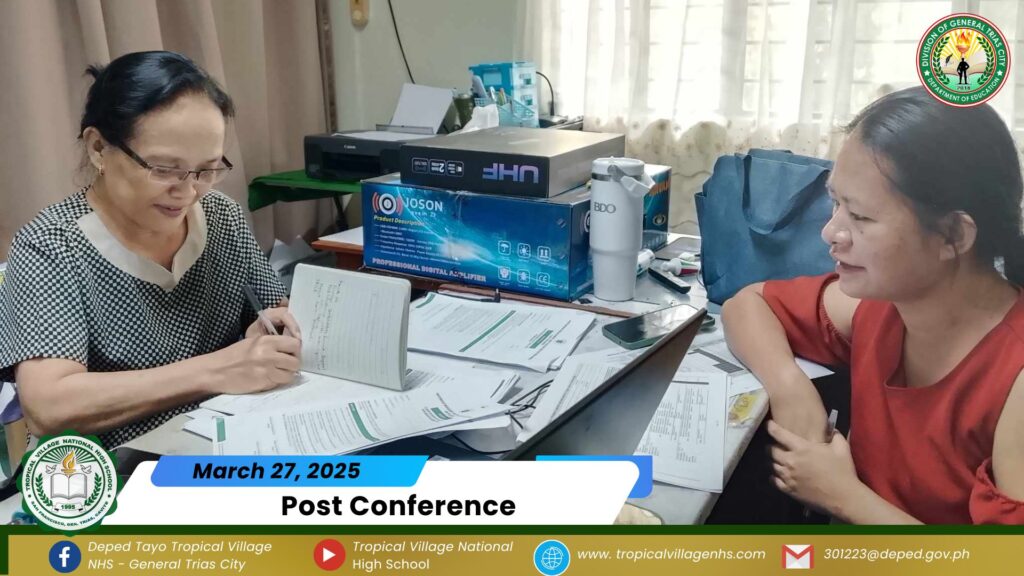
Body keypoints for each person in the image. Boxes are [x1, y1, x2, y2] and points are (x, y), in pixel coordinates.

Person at [722, 87, 1024, 524]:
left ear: (954, 235)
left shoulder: (1013, 379)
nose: (830, 232)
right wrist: (789, 386)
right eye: (836, 203)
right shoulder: (882, 308)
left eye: (860, 217)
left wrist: (843, 496)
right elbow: (747, 305)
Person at [0, 51, 303, 448]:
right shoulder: (52, 245)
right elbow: (49, 405)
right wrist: (217, 369)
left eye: (207, 169)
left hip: (231, 438)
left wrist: (269, 331)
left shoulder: (221, 215)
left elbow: (271, 310)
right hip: (107, 465)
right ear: (98, 148)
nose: (188, 191)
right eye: (164, 169)